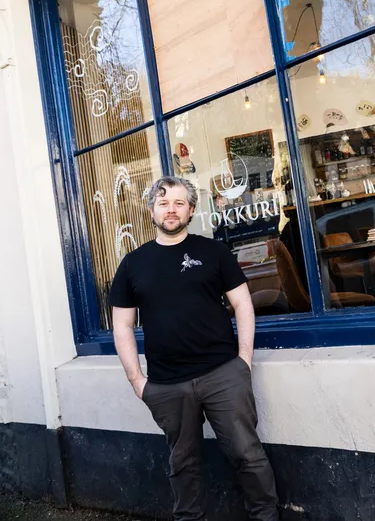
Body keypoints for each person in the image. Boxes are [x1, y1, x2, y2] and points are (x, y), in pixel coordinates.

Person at [110, 176, 279, 521]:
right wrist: (137, 381)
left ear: (190, 210)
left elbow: (243, 305)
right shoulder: (132, 264)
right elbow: (122, 325)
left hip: (223, 374)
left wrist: (244, 360)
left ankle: (266, 517)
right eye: (163, 203)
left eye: (179, 203)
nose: (170, 210)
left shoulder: (213, 252)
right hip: (167, 384)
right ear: (151, 211)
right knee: (183, 464)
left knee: (247, 454)